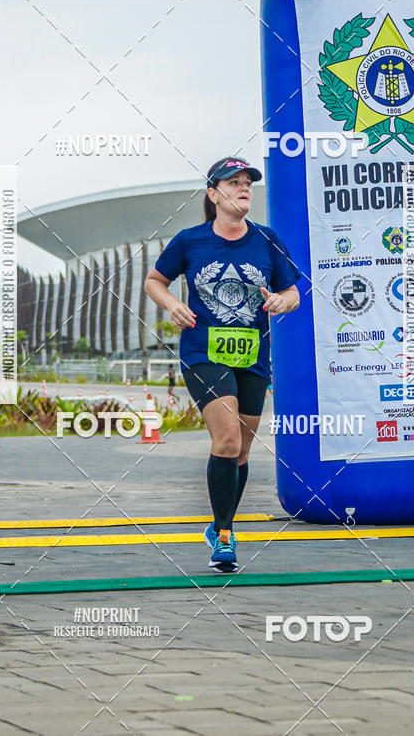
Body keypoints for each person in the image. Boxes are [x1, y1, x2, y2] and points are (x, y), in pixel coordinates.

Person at [145, 156, 300, 572]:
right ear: (214, 194)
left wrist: (282, 301)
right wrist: (173, 304)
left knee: (243, 451)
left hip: (252, 354)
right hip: (203, 352)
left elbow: (292, 292)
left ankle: (218, 523)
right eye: (234, 182)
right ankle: (226, 536)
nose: (244, 187)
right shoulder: (190, 240)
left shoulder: (267, 239)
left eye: (248, 182)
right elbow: (154, 281)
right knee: (228, 438)